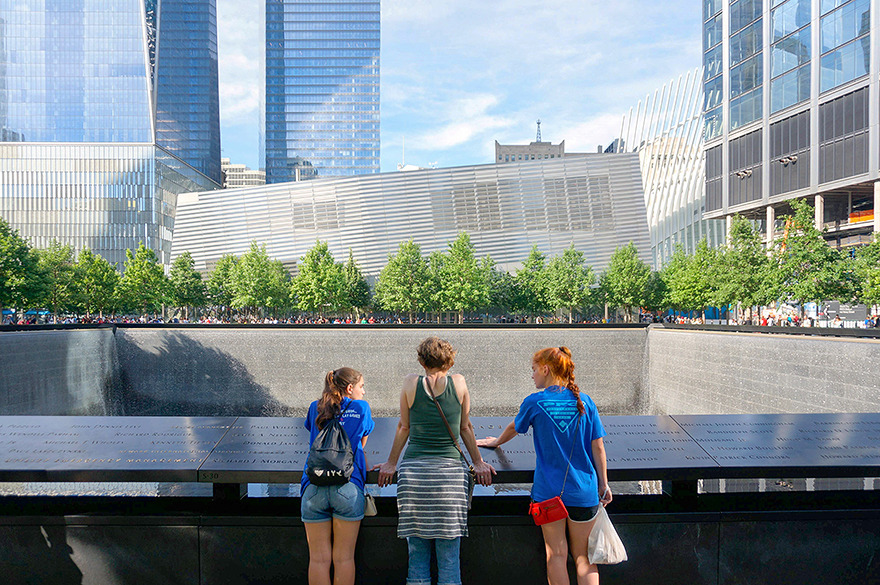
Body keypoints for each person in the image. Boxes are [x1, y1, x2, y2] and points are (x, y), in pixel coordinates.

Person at [477, 347, 612, 585]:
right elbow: (598, 447)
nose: (532, 376)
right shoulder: (586, 402)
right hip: (584, 492)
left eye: (533, 370)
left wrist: (496, 441)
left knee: (556, 556)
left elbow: (513, 427)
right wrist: (604, 484)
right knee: (585, 558)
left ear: (546, 369)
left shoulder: (535, 402)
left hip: (548, 494)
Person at [374, 336, 495, 585]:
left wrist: (391, 463)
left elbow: (403, 427)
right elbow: (466, 427)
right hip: (449, 478)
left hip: (415, 478)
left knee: (417, 553)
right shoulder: (459, 382)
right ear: (450, 360)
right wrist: (479, 462)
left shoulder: (410, 383)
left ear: (421, 360)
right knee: (449, 557)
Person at [301, 368, 374, 585]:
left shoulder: (316, 406)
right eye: (361, 386)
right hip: (348, 486)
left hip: (314, 486)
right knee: (344, 558)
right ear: (350, 388)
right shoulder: (361, 407)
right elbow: (361, 443)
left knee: (318, 560)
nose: (363, 391)